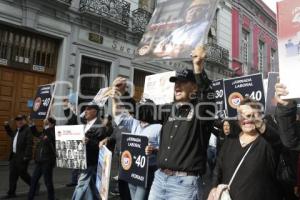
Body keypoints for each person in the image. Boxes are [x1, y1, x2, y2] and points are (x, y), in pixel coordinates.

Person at [147, 46, 215, 200]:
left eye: (183, 82)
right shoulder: (168, 109)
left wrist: (198, 68)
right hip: (159, 179)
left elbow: (208, 96)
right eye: (176, 82)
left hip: (184, 185)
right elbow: (143, 112)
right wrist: (120, 96)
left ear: (195, 87)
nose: (177, 86)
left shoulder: (202, 111)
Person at [208, 98, 282, 200]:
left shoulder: (267, 142)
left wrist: (257, 122)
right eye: (242, 115)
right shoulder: (230, 140)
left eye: (252, 114)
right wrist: (213, 187)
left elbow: (279, 141)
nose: (246, 118)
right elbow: (218, 168)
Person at [103, 96, 161, 200]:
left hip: (148, 172)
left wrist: (154, 149)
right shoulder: (134, 123)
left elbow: (165, 150)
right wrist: (115, 98)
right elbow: (118, 115)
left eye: (142, 108)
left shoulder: (158, 128)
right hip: (132, 170)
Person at [72, 103, 108, 200]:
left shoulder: (100, 126)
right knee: (92, 184)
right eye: (85, 109)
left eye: (88, 109)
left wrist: (90, 141)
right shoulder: (85, 124)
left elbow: (102, 146)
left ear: (95, 112)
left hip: (90, 161)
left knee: (81, 184)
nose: (86, 111)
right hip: (82, 159)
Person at [2, 115, 33, 199]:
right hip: (14, 156)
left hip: (22, 157)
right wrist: (7, 126)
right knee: (12, 175)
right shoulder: (17, 130)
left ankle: (34, 185)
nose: (19, 122)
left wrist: (27, 156)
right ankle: (11, 192)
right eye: (17, 120)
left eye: (21, 120)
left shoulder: (28, 130)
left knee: (23, 174)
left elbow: (29, 144)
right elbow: (11, 134)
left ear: (24, 121)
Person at [28, 117, 56, 200]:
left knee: (47, 181)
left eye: (47, 123)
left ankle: (51, 198)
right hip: (40, 161)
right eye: (44, 123)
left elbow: (51, 138)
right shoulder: (44, 132)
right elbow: (36, 133)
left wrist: (47, 127)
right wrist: (32, 123)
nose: (44, 125)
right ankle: (30, 197)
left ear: (52, 124)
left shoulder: (53, 132)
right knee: (33, 180)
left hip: (47, 161)